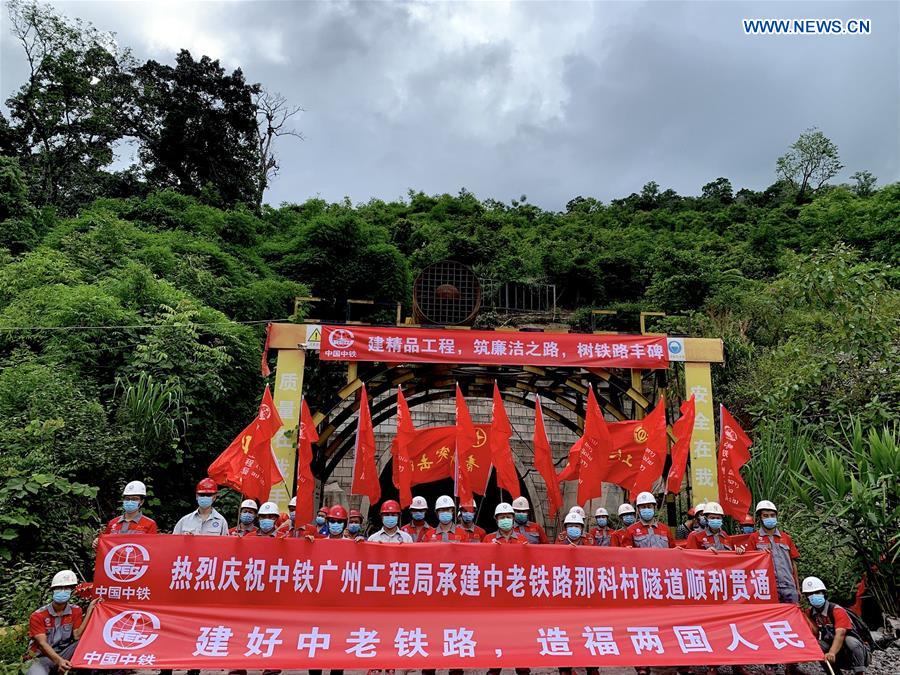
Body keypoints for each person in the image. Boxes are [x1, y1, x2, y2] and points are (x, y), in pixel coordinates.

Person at [748, 500, 802, 675]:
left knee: (793, 625)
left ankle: (792, 663)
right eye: (766, 516)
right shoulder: (754, 538)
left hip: (788, 586)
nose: (770, 518)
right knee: (769, 626)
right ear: (760, 518)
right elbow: (747, 563)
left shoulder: (785, 537)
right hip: (766, 588)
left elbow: (793, 563)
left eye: (772, 515)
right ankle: (770, 664)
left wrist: (797, 586)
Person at [26, 570, 101, 675]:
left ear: (71, 591)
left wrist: (89, 611)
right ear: (53, 590)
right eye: (59, 588)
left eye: (66, 588)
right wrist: (59, 661)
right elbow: (42, 644)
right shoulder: (38, 615)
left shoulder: (76, 611)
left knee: (87, 642)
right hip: (41, 658)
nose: (62, 591)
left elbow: (77, 636)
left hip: (64, 653)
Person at [802, 576, 869, 675]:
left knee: (851, 641)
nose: (814, 596)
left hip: (854, 652)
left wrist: (832, 652)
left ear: (824, 593)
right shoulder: (810, 613)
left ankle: (860, 672)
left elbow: (841, 633)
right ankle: (834, 673)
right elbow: (814, 633)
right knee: (817, 644)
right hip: (837, 654)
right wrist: (804, 615)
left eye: (817, 593)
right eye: (810, 594)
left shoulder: (837, 610)